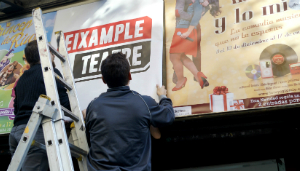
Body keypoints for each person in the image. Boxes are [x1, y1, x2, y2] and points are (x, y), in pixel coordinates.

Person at [84, 52, 175, 171]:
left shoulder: (92, 106)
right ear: (129, 76)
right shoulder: (144, 102)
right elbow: (168, 115)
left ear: (103, 80)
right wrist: (163, 96)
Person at [9, 40, 71, 171]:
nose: (54, 54)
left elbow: (16, 109)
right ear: (45, 53)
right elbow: (65, 105)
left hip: (16, 132)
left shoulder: (21, 79)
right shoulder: (50, 73)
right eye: (50, 51)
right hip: (34, 132)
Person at [170, 0, 221, 90]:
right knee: (179, 56)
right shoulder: (201, 3)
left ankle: (181, 79)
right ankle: (198, 75)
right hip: (188, 27)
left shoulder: (199, 3)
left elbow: (180, 12)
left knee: (174, 56)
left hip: (184, 28)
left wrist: (194, 16)